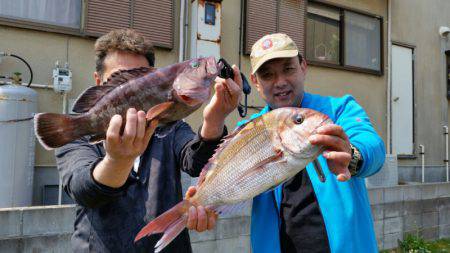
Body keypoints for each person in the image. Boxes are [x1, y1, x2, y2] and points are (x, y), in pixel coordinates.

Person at [55, 29, 241, 252]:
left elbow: (197, 162)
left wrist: (215, 119)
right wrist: (118, 161)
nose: (131, 92)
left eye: (139, 81)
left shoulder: (168, 125)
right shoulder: (76, 130)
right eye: (119, 81)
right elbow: (82, 189)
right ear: (98, 82)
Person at [240, 33, 386, 253]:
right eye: (268, 75)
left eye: (288, 69)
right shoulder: (250, 130)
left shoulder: (338, 109)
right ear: (255, 83)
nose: (280, 82)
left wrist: (352, 156)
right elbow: (222, 169)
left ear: (303, 66)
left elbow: (372, 146)